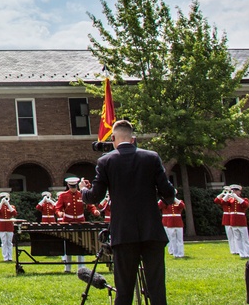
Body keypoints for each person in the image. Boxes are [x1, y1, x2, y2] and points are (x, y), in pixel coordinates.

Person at [81, 119, 175, 305]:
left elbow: (95, 197)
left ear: (113, 138)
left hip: (124, 233)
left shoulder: (105, 161)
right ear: (133, 139)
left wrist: (84, 190)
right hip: (151, 231)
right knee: (157, 288)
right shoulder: (152, 157)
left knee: (124, 290)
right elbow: (168, 192)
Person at [56, 176, 88, 272]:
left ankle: (81, 267)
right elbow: (58, 208)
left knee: (81, 245)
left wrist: (95, 211)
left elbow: (90, 205)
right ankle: (67, 267)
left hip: (80, 222)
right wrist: (59, 213)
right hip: (67, 222)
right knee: (68, 245)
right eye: (71, 187)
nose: (73, 189)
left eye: (74, 187)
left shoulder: (82, 195)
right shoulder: (63, 195)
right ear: (68, 186)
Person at [215, 184, 249, 258]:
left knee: (245, 239)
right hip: (233, 222)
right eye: (233, 191)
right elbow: (221, 202)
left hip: (241, 222)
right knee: (238, 239)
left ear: (239, 192)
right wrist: (226, 194)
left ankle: (247, 254)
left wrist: (236, 197)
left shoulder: (244, 199)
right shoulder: (230, 201)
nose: (234, 192)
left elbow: (245, 205)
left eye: (235, 191)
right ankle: (242, 254)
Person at [158, 190, 185, 258]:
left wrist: (174, 198)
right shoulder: (165, 202)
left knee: (179, 239)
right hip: (170, 223)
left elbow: (182, 206)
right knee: (172, 239)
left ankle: (181, 253)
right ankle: (175, 253)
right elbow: (159, 206)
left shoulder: (179, 201)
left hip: (178, 223)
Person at [0, 192, 17, 262]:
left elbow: (14, 213)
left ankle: (10, 257)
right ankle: (5, 257)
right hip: (2, 226)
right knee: (4, 242)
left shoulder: (12, 206)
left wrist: (8, 204)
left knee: (9, 242)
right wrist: (1, 203)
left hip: (9, 226)